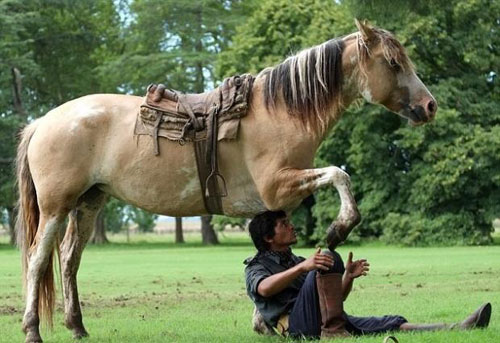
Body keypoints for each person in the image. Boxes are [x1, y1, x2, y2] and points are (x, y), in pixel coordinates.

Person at [244, 210, 492, 339]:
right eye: (284, 224)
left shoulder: (297, 261)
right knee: (328, 258)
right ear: (268, 238)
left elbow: (334, 301)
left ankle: (459, 327)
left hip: (326, 323)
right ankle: (333, 334)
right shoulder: (256, 266)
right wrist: (303, 268)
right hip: (299, 329)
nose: (291, 226)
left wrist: (348, 279)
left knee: (389, 323)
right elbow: (264, 289)